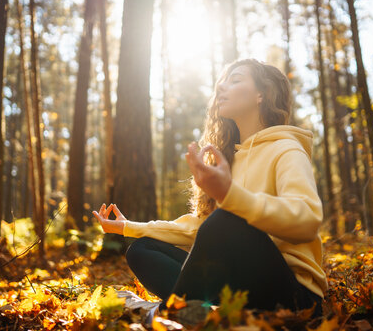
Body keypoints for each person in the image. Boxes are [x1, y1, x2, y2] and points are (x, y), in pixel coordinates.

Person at [92, 58, 327, 322]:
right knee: (142, 249)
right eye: (221, 82)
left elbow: (306, 219)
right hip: (242, 288)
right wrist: (127, 227)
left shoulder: (287, 149)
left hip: (294, 298)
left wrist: (230, 196)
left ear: (262, 94)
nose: (222, 88)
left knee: (226, 220)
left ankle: (160, 314)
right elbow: (201, 229)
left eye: (235, 80)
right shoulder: (231, 159)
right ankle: (193, 315)